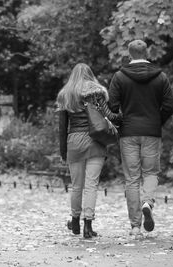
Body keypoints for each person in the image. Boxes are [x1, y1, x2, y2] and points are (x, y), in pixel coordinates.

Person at [108, 40, 173, 236]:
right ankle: (148, 201)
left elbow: (112, 106)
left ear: (130, 54)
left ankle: (136, 226)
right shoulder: (160, 77)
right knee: (151, 172)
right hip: (152, 132)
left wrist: (122, 121)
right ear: (147, 53)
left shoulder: (119, 77)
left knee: (131, 179)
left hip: (128, 132)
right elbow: (170, 105)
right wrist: (156, 120)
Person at [57, 63, 121, 238]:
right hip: (95, 142)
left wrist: (63, 152)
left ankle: (75, 222)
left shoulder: (65, 95)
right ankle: (88, 226)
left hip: (74, 142)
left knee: (76, 186)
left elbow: (62, 128)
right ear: (90, 75)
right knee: (91, 185)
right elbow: (109, 117)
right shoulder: (97, 94)